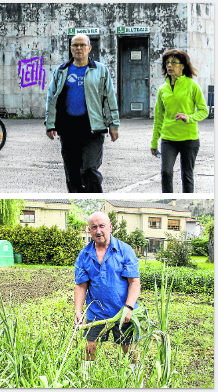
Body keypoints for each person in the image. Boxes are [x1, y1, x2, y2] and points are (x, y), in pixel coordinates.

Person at [45, 34, 120, 193]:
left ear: (89, 48)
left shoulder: (100, 70)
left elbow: (109, 99)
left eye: (82, 45)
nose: (78, 48)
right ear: (71, 48)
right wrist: (50, 123)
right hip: (68, 129)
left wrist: (113, 125)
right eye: (75, 45)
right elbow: (52, 97)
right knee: (72, 172)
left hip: (93, 128)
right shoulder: (61, 70)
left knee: (89, 169)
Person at [74, 212, 140, 377]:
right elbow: (81, 286)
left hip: (123, 311)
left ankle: (134, 382)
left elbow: (134, 282)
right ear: (89, 230)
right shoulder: (84, 255)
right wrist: (78, 311)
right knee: (89, 348)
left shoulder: (125, 250)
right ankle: (85, 381)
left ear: (110, 227)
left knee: (130, 349)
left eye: (102, 226)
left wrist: (129, 307)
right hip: (96, 312)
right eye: (94, 227)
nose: (98, 230)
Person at [151, 49, 208, 193]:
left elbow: (204, 111)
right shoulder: (162, 89)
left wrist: (189, 117)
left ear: (182, 65)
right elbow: (158, 117)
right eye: (167, 63)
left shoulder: (192, 85)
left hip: (189, 138)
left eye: (174, 62)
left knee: (187, 175)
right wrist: (154, 142)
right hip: (168, 138)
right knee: (166, 173)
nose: (170, 65)